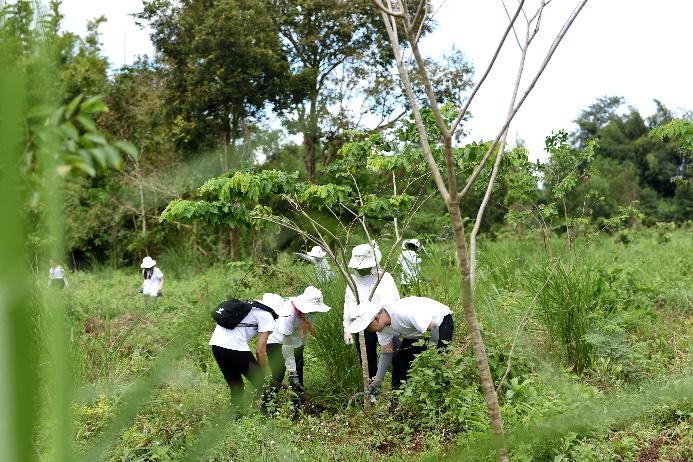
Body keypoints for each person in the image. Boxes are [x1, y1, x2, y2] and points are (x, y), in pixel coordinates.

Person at [347, 296, 454, 397]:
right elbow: (387, 352)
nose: (368, 331)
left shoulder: (404, 313)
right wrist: (377, 382)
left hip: (440, 322)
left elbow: (434, 327)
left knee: (436, 365)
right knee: (400, 362)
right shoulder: (381, 328)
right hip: (416, 331)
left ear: (376, 319)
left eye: (368, 327)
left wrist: (431, 355)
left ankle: (443, 397)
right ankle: (397, 404)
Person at [209, 293, 284, 411]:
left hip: (216, 345)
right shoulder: (266, 315)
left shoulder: (249, 306)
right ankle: (267, 418)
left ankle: (236, 419)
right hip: (235, 348)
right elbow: (260, 351)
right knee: (263, 386)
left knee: (237, 388)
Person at [265, 286, 332, 405]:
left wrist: (301, 344)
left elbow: (304, 331)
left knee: (299, 371)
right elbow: (286, 345)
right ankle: (267, 406)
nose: (313, 313)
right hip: (277, 339)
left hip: (294, 339)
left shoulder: (310, 311)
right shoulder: (289, 313)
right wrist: (291, 371)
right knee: (279, 372)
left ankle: (298, 405)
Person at [343, 242, 400, 380]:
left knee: (396, 358)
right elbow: (349, 304)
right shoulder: (352, 281)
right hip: (363, 325)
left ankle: (396, 393)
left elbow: (395, 303)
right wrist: (347, 329)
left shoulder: (385, 278)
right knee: (368, 363)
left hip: (386, 324)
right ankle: (372, 395)